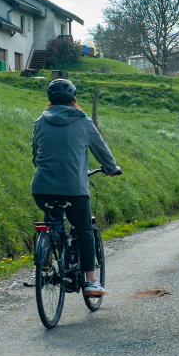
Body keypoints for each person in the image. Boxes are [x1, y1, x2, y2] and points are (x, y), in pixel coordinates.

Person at [31, 79, 121, 297]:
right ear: (74, 99)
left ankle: (45, 260)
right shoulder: (83, 122)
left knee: (52, 218)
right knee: (84, 231)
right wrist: (111, 168)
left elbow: (36, 156)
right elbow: (102, 152)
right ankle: (90, 283)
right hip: (74, 190)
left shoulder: (40, 122)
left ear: (50, 101)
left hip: (42, 188)